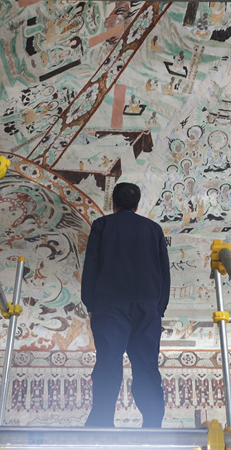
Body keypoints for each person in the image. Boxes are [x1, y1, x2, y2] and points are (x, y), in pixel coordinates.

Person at [81, 182, 171, 428]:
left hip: (109, 306)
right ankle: (153, 424)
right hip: (147, 307)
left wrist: (90, 304)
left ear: (113, 203)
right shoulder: (154, 229)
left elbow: (91, 266)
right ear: (137, 205)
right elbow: (164, 271)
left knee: (108, 361)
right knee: (146, 365)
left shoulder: (101, 225)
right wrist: (159, 308)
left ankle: (101, 422)